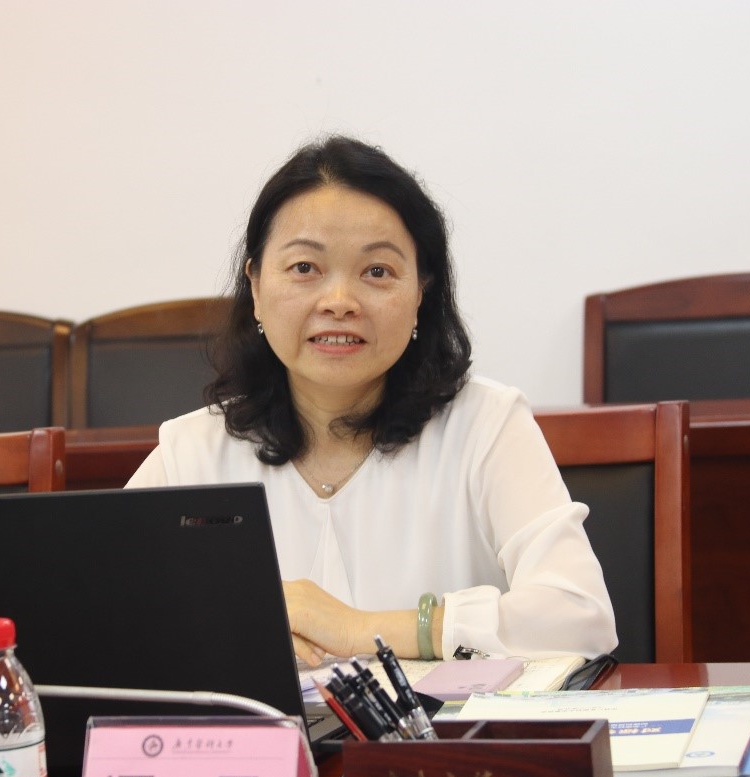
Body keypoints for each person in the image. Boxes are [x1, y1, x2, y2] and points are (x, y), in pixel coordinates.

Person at [127, 136, 617, 664]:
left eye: (377, 272)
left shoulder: (485, 425)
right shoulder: (191, 454)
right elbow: (97, 617)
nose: (340, 302)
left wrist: (360, 630)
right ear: (256, 287)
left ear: (421, 292)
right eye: (304, 268)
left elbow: (580, 616)